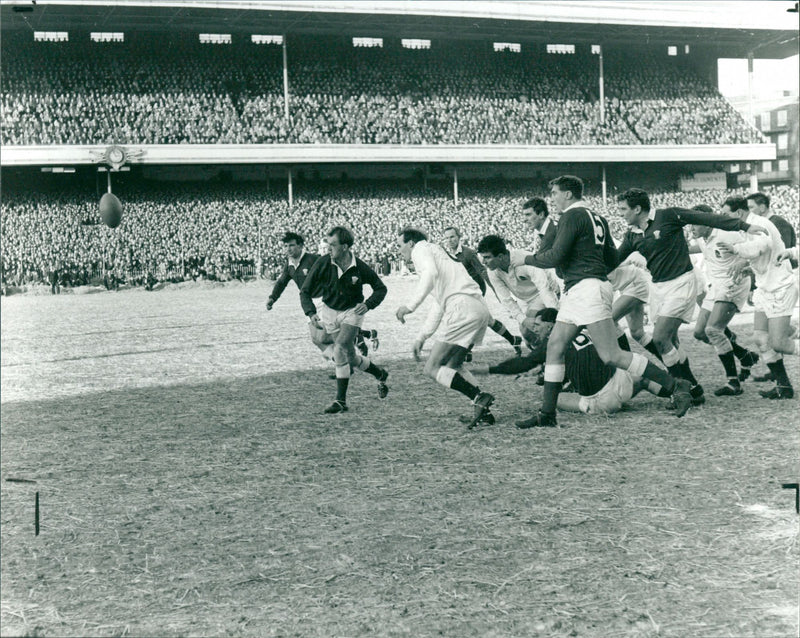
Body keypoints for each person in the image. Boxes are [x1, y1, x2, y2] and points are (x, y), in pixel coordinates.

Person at [512, 175, 692, 428]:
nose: (552, 198)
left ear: (568, 194)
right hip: (582, 289)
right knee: (555, 346)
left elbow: (554, 256)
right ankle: (547, 414)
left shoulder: (571, 216)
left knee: (611, 355)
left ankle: (676, 384)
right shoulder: (597, 218)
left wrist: (525, 258)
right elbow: (610, 259)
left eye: (554, 193)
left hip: (586, 289)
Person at [615, 187, 766, 407]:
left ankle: (681, 390)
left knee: (660, 338)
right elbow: (614, 259)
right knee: (672, 343)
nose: (620, 213)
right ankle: (694, 389)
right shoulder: (632, 235)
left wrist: (745, 226)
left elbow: (709, 218)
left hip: (682, 283)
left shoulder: (668, 215)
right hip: (657, 288)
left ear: (637, 209)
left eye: (623, 209)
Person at [471, 308, 673, 416]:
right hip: (622, 382)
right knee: (644, 380)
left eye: (539, 325)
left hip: (603, 402)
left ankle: (589, 405)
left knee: (554, 397)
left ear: (551, 326)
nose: (536, 330)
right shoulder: (583, 327)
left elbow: (524, 363)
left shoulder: (554, 342)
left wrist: (489, 369)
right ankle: (675, 393)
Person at [395, 227, 496, 429]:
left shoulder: (421, 249)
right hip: (477, 308)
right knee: (453, 365)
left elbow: (430, 274)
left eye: (400, 245)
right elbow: (438, 305)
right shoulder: (441, 254)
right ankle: (485, 413)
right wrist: (421, 337)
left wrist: (410, 305)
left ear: (411, 243)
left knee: (432, 368)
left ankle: (478, 396)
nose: (399, 251)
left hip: (461, 309)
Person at [299, 226, 389, 414]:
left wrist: (368, 304)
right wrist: (310, 313)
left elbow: (381, 288)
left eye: (332, 245)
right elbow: (305, 291)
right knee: (350, 357)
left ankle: (341, 401)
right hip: (330, 312)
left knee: (339, 348)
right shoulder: (324, 262)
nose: (328, 248)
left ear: (345, 247)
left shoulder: (359, 267)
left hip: (352, 312)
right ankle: (380, 374)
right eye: (327, 244)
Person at [715, 196, 798, 400]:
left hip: (780, 287)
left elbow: (761, 246)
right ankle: (784, 386)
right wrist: (746, 268)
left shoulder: (759, 224)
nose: (724, 219)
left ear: (739, 213)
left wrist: (738, 252)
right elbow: (761, 257)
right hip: (765, 288)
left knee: (779, 343)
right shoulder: (744, 228)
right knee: (761, 338)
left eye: (726, 215)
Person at [266, 232, 378, 360]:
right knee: (316, 339)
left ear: (301, 246)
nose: (288, 249)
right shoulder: (289, 264)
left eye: (291, 245)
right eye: (285, 246)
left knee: (324, 336)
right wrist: (272, 298)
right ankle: (351, 345)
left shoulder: (313, 260)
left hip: (323, 299)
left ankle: (347, 352)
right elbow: (281, 282)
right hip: (308, 301)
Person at [689, 203, 759, 396]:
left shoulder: (726, 233)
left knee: (713, 330)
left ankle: (733, 383)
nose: (691, 228)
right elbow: (694, 248)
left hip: (734, 283)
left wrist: (742, 261)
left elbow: (754, 249)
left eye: (694, 223)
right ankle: (745, 356)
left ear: (706, 221)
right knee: (700, 333)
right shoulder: (703, 238)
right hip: (716, 286)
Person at [442, 226, 523, 356]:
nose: (449, 240)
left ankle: (466, 351)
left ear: (459, 236)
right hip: (460, 293)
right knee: (487, 320)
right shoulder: (446, 255)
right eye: (447, 238)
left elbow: (483, 272)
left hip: (475, 291)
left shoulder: (468, 253)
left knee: (468, 320)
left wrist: (496, 291)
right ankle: (513, 339)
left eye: (452, 237)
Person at [475, 234, 560, 332]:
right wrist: (522, 320)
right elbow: (505, 299)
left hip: (543, 293)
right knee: (527, 331)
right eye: (483, 257)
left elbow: (544, 287)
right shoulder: (492, 271)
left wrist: (553, 314)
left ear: (500, 256)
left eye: (487, 257)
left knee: (533, 326)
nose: (483, 262)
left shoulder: (524, 258)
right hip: (523, 299)